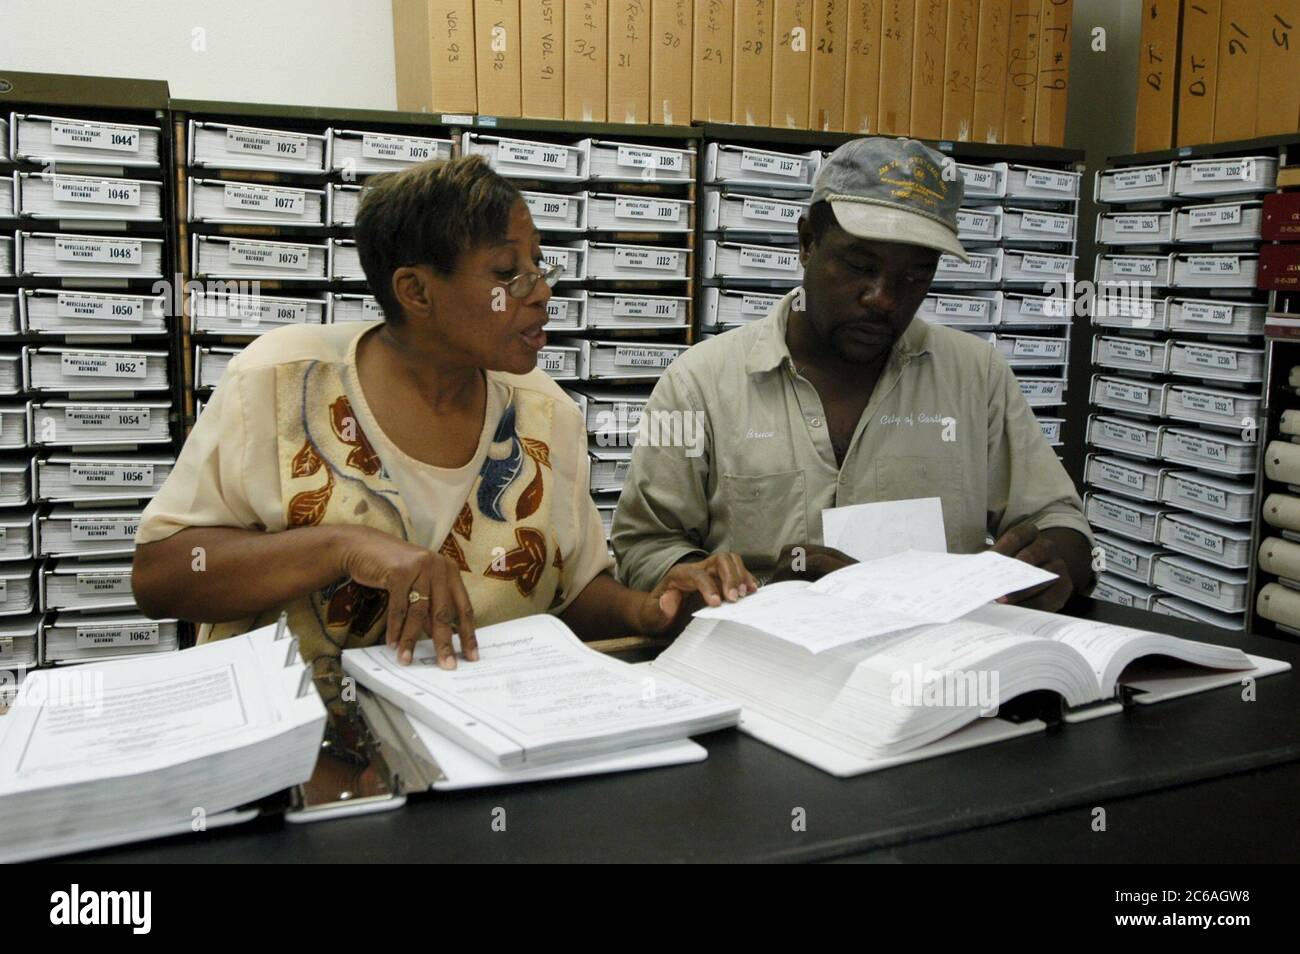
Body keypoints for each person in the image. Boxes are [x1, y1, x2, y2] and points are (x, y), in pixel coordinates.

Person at [132, 156, 755, 707]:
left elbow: (569, 590)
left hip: (478, 744)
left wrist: (648, 608)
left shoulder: (546, 416)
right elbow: (161, 578)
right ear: (416, 291)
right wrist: (343, 547)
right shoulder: (280, 384)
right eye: (506, 274)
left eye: (540, 264)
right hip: (291, 759)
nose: (541, 293)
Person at [613, 137, 1094, 612]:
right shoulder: (699, 383)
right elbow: (645, 548)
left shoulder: (976, 377)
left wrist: (1051, 559)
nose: (884, 298)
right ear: (806, 242)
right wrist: (741, 591)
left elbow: (1059, 521)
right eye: (861, 264)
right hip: (764, 664)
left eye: (916, 275)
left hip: (935, 667)